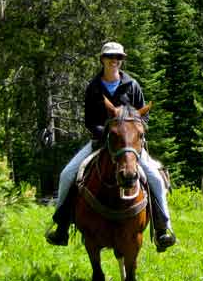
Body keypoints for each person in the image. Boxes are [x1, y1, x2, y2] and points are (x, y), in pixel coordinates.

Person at [45, 41, 176, 252]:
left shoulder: (132, 85)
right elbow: (89, 120)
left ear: (121, 61)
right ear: (103, 60)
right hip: (99, 143)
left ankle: (163, 228)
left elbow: (144, 115)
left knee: (155, 178)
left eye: (118, 58)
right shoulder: (94, 87)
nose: (114, 61)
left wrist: (131, 134)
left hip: (130, 147)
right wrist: (107, 134)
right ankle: (61, 226)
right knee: (67, 174)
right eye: (110, 57)